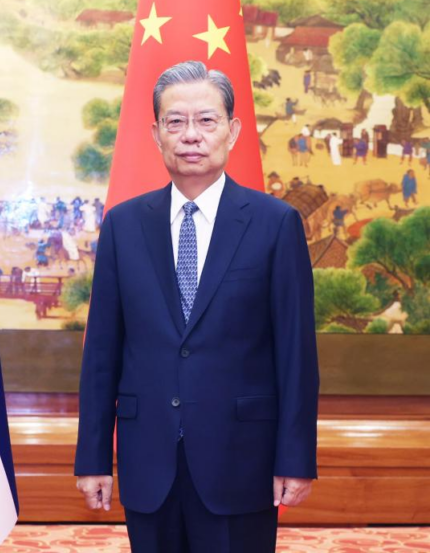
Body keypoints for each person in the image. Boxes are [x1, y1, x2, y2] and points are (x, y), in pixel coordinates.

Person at [75, 60, 319, 553]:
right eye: (176, 121)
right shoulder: (124, 225)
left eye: (207, 120)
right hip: (149, 459)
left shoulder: (275, 224)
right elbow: (102, 352)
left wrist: (295, 458)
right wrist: (94, 457)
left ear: (232, 131)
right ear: (155, 134)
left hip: (242, 460)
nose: (191, 135)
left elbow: (296, 355)